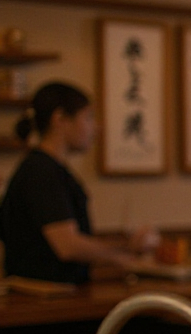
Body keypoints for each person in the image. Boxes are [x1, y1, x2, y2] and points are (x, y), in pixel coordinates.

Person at [0, 82, 156, 283]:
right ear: (60, 119)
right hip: (44, 302)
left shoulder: (50, 169)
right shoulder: (41, 171)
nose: (96, 128)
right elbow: (68, 246)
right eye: (88, 117)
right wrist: (125, 256)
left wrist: (126, 247)